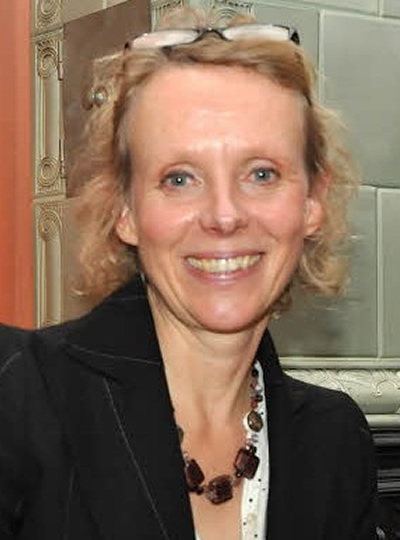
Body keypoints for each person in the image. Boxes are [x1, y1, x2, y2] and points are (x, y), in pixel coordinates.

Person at [0, 8, 377, 540]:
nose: (224, 216)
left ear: (312, 201)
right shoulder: (17, 394)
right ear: (125, 210)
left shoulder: (335, 441)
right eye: (179, 179)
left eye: (261, 173)